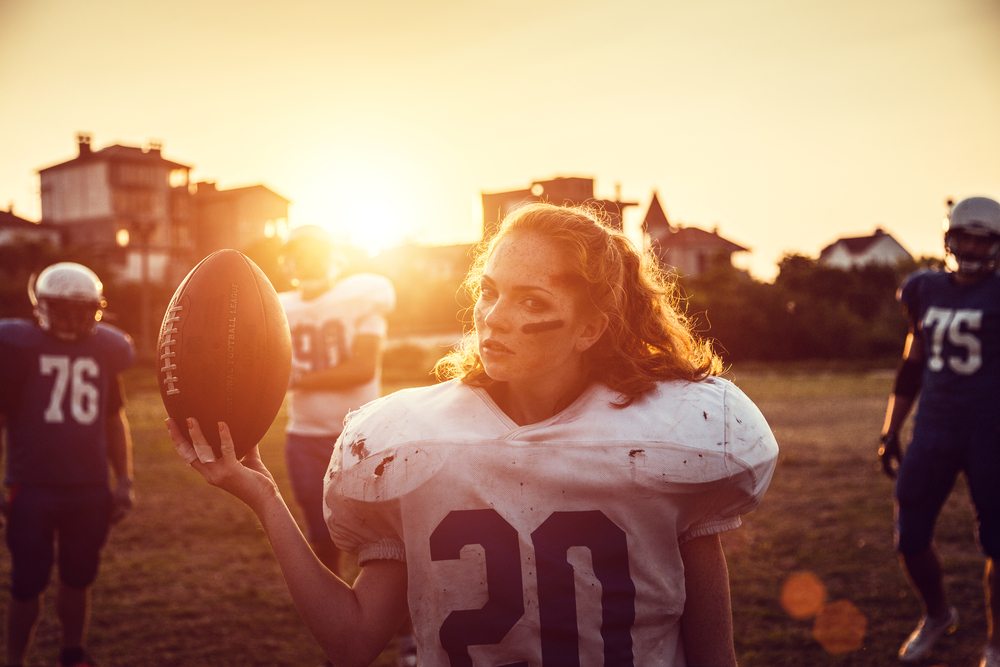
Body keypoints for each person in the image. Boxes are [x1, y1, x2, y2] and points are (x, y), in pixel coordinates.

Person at [168, 202, 778, 666]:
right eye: (489, 292)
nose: (494, 317)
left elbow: (712, 655)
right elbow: (353, 640)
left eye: (529, 300)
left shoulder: (674, 438)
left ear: (591, 327)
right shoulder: (412, 439)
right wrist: (264, 499)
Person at [879, 196, 1000, 667]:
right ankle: (937, 614)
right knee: (910, 535)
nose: (970, 246)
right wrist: (891, 429)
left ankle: (995, 643)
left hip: (991, 432)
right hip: (935, 429)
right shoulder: (924, 288)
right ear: (949, 238)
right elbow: (912, 363)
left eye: (981, 237)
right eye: (963, 236)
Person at [0, 262, 136, 667]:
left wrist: (124, 479)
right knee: (27, 582)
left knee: (79, 576)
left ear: (95, 309)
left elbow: (114, 420)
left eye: (82, 310)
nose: (73, 318)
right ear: (41, 306)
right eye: (63, 308)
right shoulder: (18, 349)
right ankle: (13, 660)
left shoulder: (106, 350)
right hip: (32, 486)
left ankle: (72, 652)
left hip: (89, 487)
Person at [276, 225, 396, 576]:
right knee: (321, 532)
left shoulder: (363, 296)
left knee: (382, 538)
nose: (308, 262)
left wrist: (297, 379)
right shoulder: (279, 306)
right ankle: (338, 608)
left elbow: (361, 369)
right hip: (303, 435)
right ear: (288, 261)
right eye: (300, 254)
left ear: (333, 258)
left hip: (361, 435)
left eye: (315, 252)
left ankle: (400, 623)